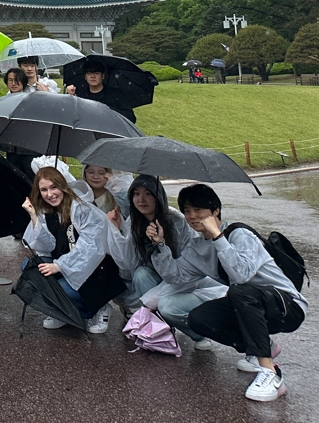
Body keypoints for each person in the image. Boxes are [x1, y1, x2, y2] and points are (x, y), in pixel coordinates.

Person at [154, 184, 307, 402]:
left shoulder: (239, 234)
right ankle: (260, 350)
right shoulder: (197, 247)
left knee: (240, 291)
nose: (192, 216)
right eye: (187, 211)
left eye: (198, 209)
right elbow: (174, 275)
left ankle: (270, 374)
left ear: (215, 210)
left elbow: (241, 274)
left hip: (286, 306)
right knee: (200, 318)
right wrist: (159, 245)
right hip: (250, 305)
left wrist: (218, 237)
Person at [21, 167, 122, 334]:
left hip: (96, 270)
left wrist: (59, 266)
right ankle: (64, 311)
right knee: (29, 269)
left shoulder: (84, 210)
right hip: (66, 263)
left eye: (53, 187)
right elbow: (46, 247)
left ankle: (98, 307)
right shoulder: (48, 210)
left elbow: (91, 249)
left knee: (60, 291)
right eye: (44, 190)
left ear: (63, 186)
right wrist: (33, 216)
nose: (50, 194)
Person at [104, 175, 191, 315]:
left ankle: (162, 317)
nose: (141, 200)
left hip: (177, 278)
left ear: (158, 196)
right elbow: (128, 263)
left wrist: (160, 244)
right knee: (139, 274)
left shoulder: (176, 221)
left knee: (142, 275)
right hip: (148, 277)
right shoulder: (135, 220)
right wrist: (116, 230)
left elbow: (185, 261)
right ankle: (152, 318)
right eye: (136, 194)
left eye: (148, 194)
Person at [65, 59, 136, 123]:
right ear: (85, 77)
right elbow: (71, 117)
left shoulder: (116, 95)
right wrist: (71, 98)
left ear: (103, 76)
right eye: (89, 73)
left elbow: (130, 118)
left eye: (96, 73)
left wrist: (108, 110)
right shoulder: (81, 96)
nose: (93, 76)